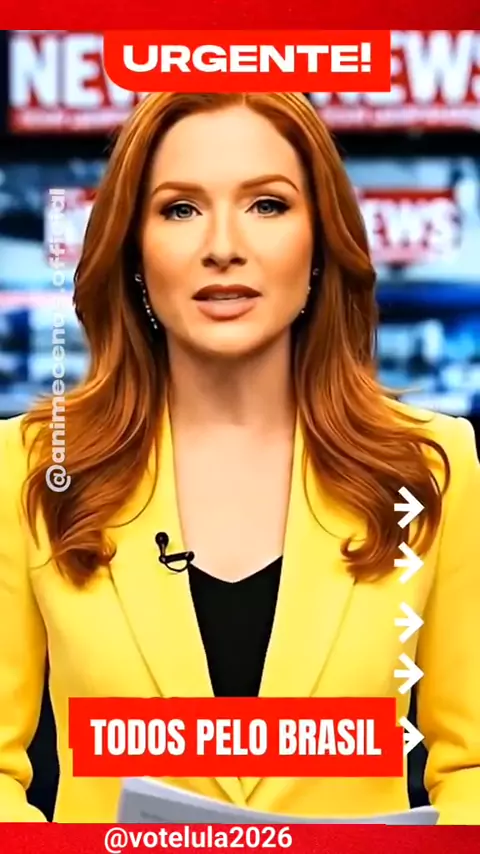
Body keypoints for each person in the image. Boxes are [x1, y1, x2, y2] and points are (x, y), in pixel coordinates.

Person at [0, 92, 479, 824]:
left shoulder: (432, 467)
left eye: (267, 205)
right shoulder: (30, 467)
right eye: (180, 209)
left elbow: (470, 767)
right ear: (133, 249)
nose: (223, 245)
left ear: (320, 242)